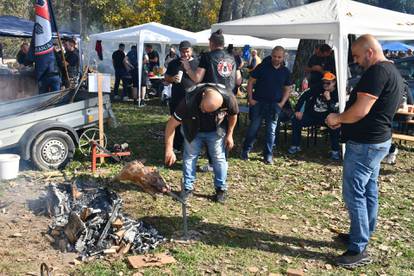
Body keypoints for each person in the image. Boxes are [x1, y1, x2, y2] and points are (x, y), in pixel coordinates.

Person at [325, 34, 403, 267]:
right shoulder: (394, 71)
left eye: (358, 56)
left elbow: (361, 110)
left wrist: (337, 118)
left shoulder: (377, 72)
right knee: (368, 189)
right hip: (377, 141)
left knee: (354, 193)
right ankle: (362, 234)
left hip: (366, 144)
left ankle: (359, 247)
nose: (357, 61)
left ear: (370, 52)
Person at [164, 84, 239, 203]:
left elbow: (233, 115)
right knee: (189, 157)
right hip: (192, 130)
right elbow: (171, 125)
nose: (204, 112)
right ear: (203, 95)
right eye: (203, 108)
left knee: (219, 158)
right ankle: (188, 189)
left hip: (215, 131)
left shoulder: (229, 98)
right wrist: (169, 149)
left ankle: (221, 189)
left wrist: (230, 134)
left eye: (210, 111)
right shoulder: (188, 101)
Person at [182, 29, 242, 172]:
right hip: (229, 98)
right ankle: (222, 161)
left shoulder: (207, 57)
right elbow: (239, 81)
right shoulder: (232, 57)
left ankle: (212, 163)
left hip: (213, 97)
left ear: (211, 43)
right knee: (226, 130)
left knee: (211, 129)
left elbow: (197, 78)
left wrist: (187, 68)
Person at [241, 46, 292, 164]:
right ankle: (245, 150)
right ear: (271, 55)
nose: (276, 59)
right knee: (253, 128)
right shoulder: (262, 67)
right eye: (274, 56)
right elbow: (250, 82)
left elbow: (288, 88)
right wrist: (250, 98)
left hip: (275, 105)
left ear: (283, 57)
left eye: (279, 57)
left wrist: (282, 103)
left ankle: (268, 155)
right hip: (259, 102)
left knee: (271, 131)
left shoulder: (285, 72)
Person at [288, 72, 340, 160]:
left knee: (335, 127)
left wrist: (328, 99)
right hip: (312, 115)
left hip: (327, 118)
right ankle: (295, 145)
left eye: (328, 83)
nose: (325, 85)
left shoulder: (338, 93)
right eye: (324, 82)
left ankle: (335, 151)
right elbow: (304, 96)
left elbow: (335, 109)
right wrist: (298, 110)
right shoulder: (318, 87)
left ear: (334, 83)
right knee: (296, 120)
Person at [164, 41, 199, 152]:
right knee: (176, 123)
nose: (185, 54)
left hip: (193, 99)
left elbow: (200, 80)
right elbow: (166, 77)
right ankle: (176, 146)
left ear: (191, 51)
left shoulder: (198, 64)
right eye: (183, 52)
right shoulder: (174, 63)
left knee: (192, 124)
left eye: (187, 51)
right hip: (177, 98)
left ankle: (193, 148)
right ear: (179, 51)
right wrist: (172, 79)